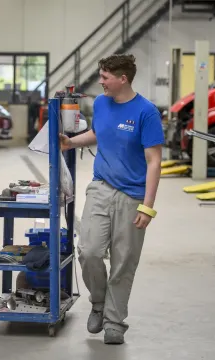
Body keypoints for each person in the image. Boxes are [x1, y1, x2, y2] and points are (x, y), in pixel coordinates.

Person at [59, 54, 163, 345]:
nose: (100, 81)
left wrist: (148, 206)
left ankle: (115, 322)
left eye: (105, 77)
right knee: (89, 250)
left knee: (123, 261)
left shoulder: (146, 112)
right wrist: (71, 141)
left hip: (133, 196)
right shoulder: (102, 104)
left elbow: (154, 161)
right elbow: (97, 133)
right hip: (101, 188)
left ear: (123, 79)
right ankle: (99, 304)